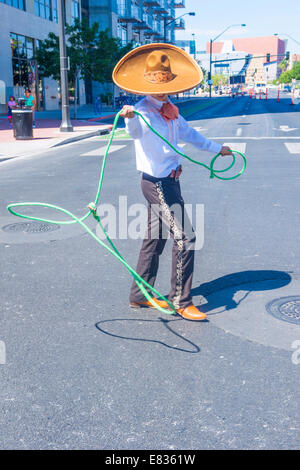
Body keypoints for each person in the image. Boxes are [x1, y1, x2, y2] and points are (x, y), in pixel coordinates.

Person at [113, 44, 232, 321]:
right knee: (185, 236)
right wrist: (128, 118)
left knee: (155, 238)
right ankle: (181, 300)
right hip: (156, 183)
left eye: (165, 83)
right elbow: (134, 133)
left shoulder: (171, 110)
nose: (161, 89)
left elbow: (191, 135)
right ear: (145, 83)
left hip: (170, 182)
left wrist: (218, 149)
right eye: (156, 83)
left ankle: (139, 294)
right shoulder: (141, 111)